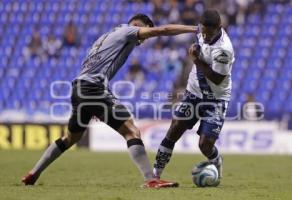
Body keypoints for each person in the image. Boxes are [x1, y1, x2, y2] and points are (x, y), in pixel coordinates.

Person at [22, 13, 197, 188]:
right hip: (93, 88)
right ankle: (150, 179)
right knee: (131, 130)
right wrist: (195, 28)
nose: (142, 40)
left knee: (70, 138)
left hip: (78, 88)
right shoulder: (128, 31)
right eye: (145, 32)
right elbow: (164, 30)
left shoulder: (105, 36)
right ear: (137, 24)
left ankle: (33, 172)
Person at [153, 10, 235, 185]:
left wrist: (196, 60)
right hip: (193, 93)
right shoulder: (201, 30)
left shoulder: (224, 49)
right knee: (174, 128)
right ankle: (155, 175)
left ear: (218, 28)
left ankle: (216, 161)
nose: (204, 35)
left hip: (216, 99)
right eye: (202, 31)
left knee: (204, 145)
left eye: (208, 33)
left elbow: (217, 78)